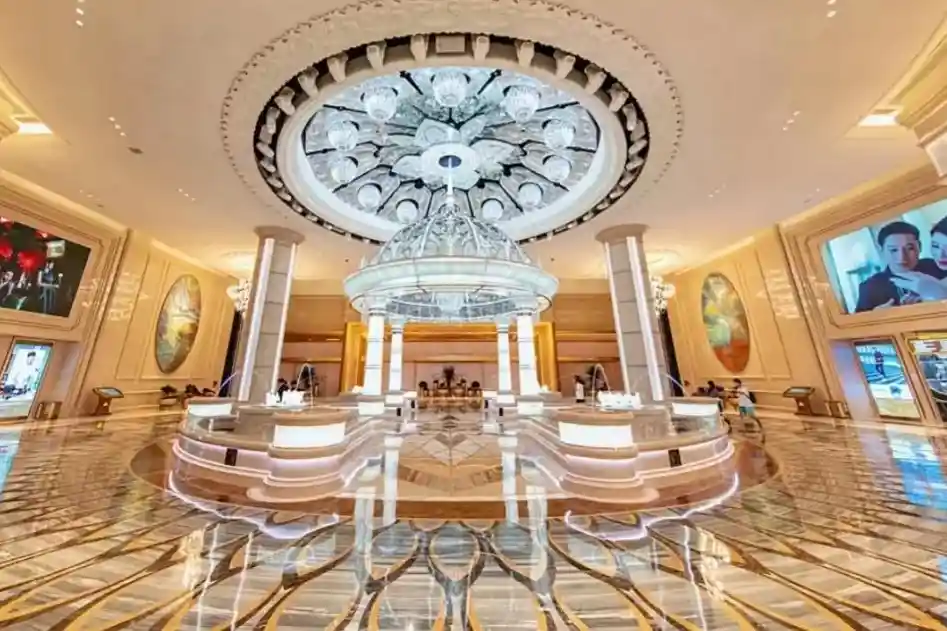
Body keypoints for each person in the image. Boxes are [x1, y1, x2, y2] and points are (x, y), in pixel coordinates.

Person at [854, 221, 943, 312]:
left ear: (919, 247)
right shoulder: (870, 287)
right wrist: (876, 316)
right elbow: (857, 320)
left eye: (909, 248)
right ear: (882, 251)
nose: (902, 257)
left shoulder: (936, 267)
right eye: (893, 250)